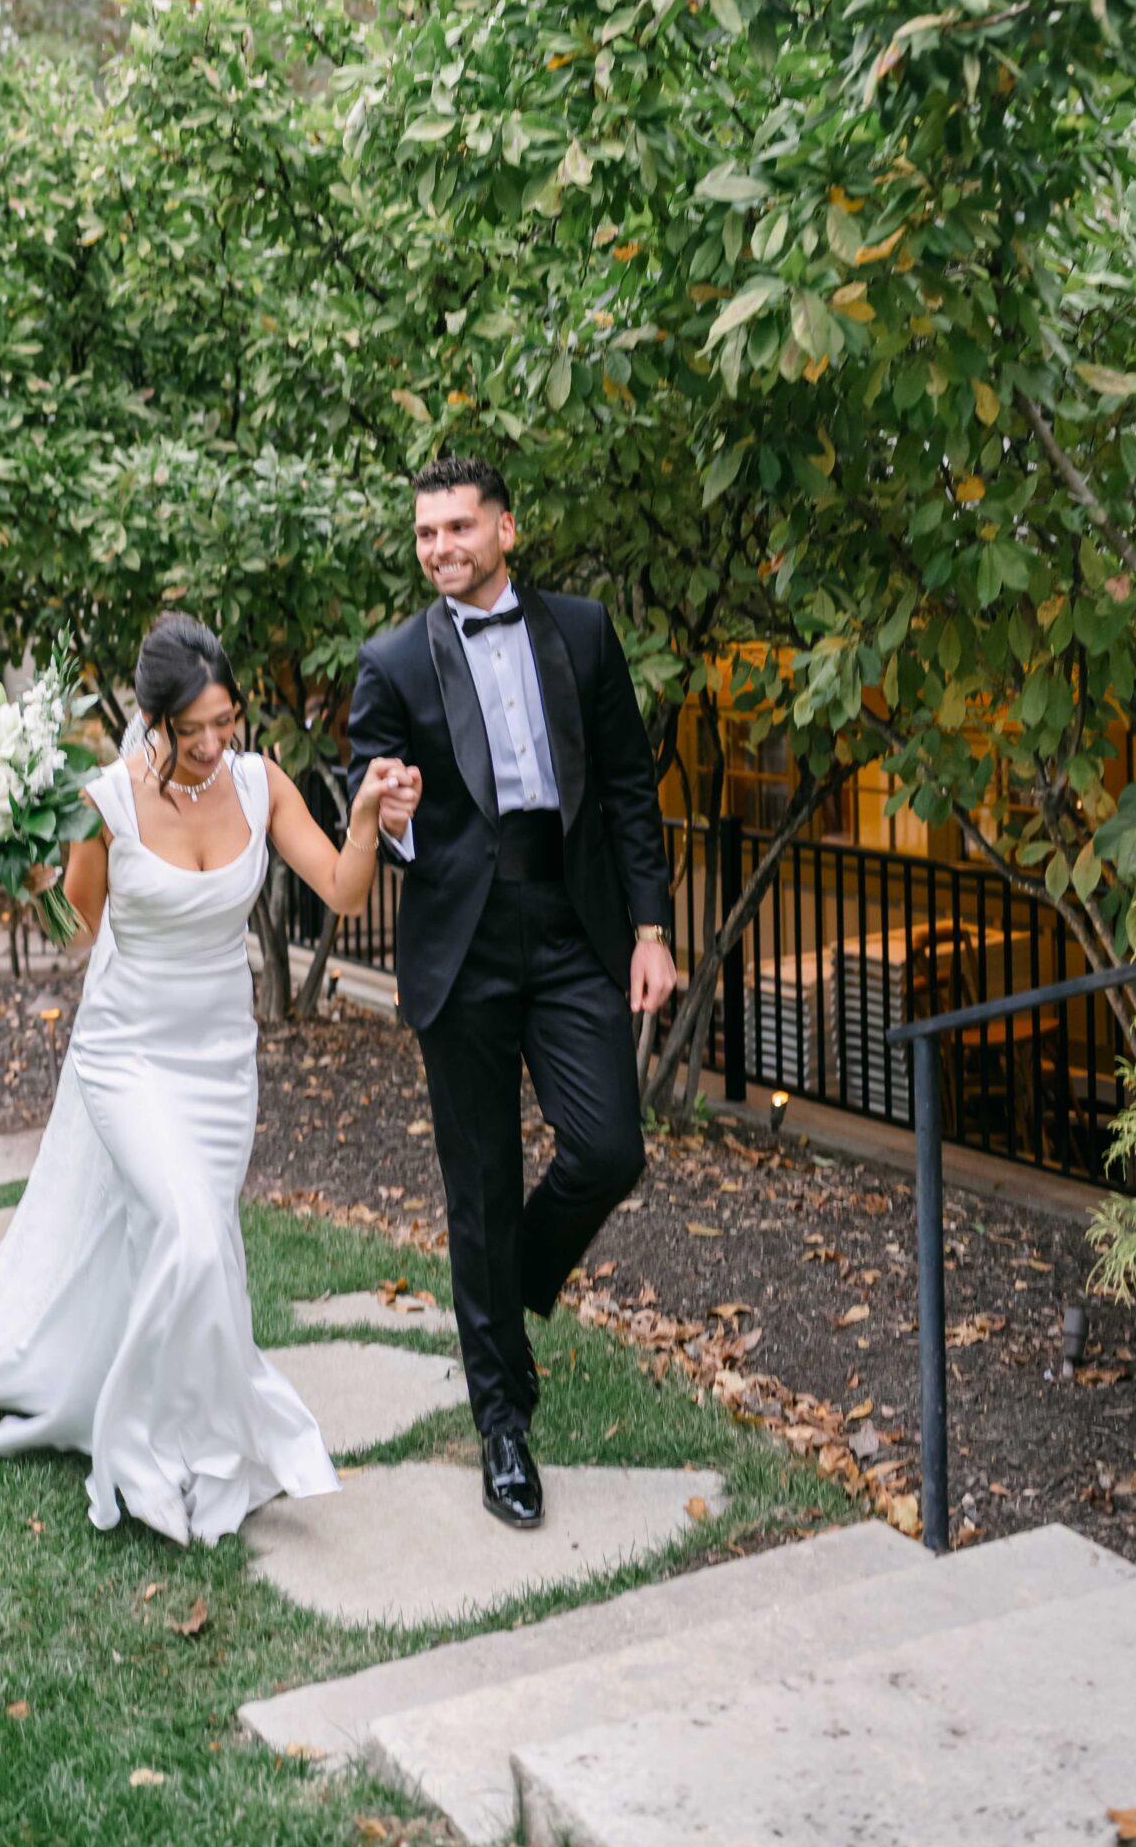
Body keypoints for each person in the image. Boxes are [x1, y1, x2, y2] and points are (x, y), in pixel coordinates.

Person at [0, 612, 422, 1547]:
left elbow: (343, 892)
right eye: (189, 730)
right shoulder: (102, 803)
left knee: (205, 1247)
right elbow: (77, 929)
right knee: (189, 1236)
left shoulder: (258, 780)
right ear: (149, 720)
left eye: (222, 721)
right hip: (127, 1056)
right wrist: (20, 872)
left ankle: (204, 1435)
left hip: (220, 1066)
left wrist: (360, 821)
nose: (209, 745)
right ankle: (139, 1453)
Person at [348, 457, 677, 1531]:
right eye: (424, 534)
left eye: (457, 527)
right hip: (464, 945)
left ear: (506, 528)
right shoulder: (392, 660)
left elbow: (629, 782)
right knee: (478, 1187)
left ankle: (515, 1277)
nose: (439, 547)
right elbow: (378, 812)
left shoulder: (581, 632)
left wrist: (651, 928)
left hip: (574, 928)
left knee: (608, 1147)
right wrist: (388, 808)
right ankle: (503, 1421)